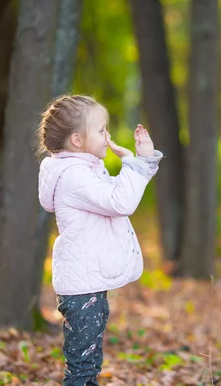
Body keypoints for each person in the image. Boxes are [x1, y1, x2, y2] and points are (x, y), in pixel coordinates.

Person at [36, 94, 162, 385]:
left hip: (87, 284)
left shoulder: (84, 171)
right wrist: (134, 162)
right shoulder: (74, 176)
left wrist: (142, 162)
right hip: (82, 290)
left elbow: (115, 195)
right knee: (82, 368)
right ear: (78, 140)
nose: (108, 136)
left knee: (88, 364)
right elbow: (120, 202)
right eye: (102, 130)